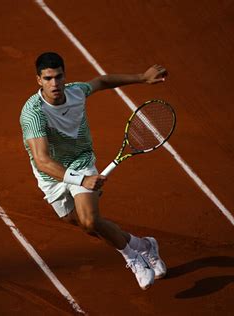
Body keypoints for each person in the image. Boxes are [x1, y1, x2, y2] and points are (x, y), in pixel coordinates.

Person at [20, 52, 167, 290]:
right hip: (51, 174)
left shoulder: (76, 92)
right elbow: (42, 161)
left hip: (80, 160)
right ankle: (144, 245)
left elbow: (102, 81)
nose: (54, 84)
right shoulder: (33, 113)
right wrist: (82, 180)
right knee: (83, 224)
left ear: (64, 76)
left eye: (58, 77)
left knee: (89, 221)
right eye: (47, 78)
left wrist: (142, 77)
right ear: (39, 80)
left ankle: (132, 258)